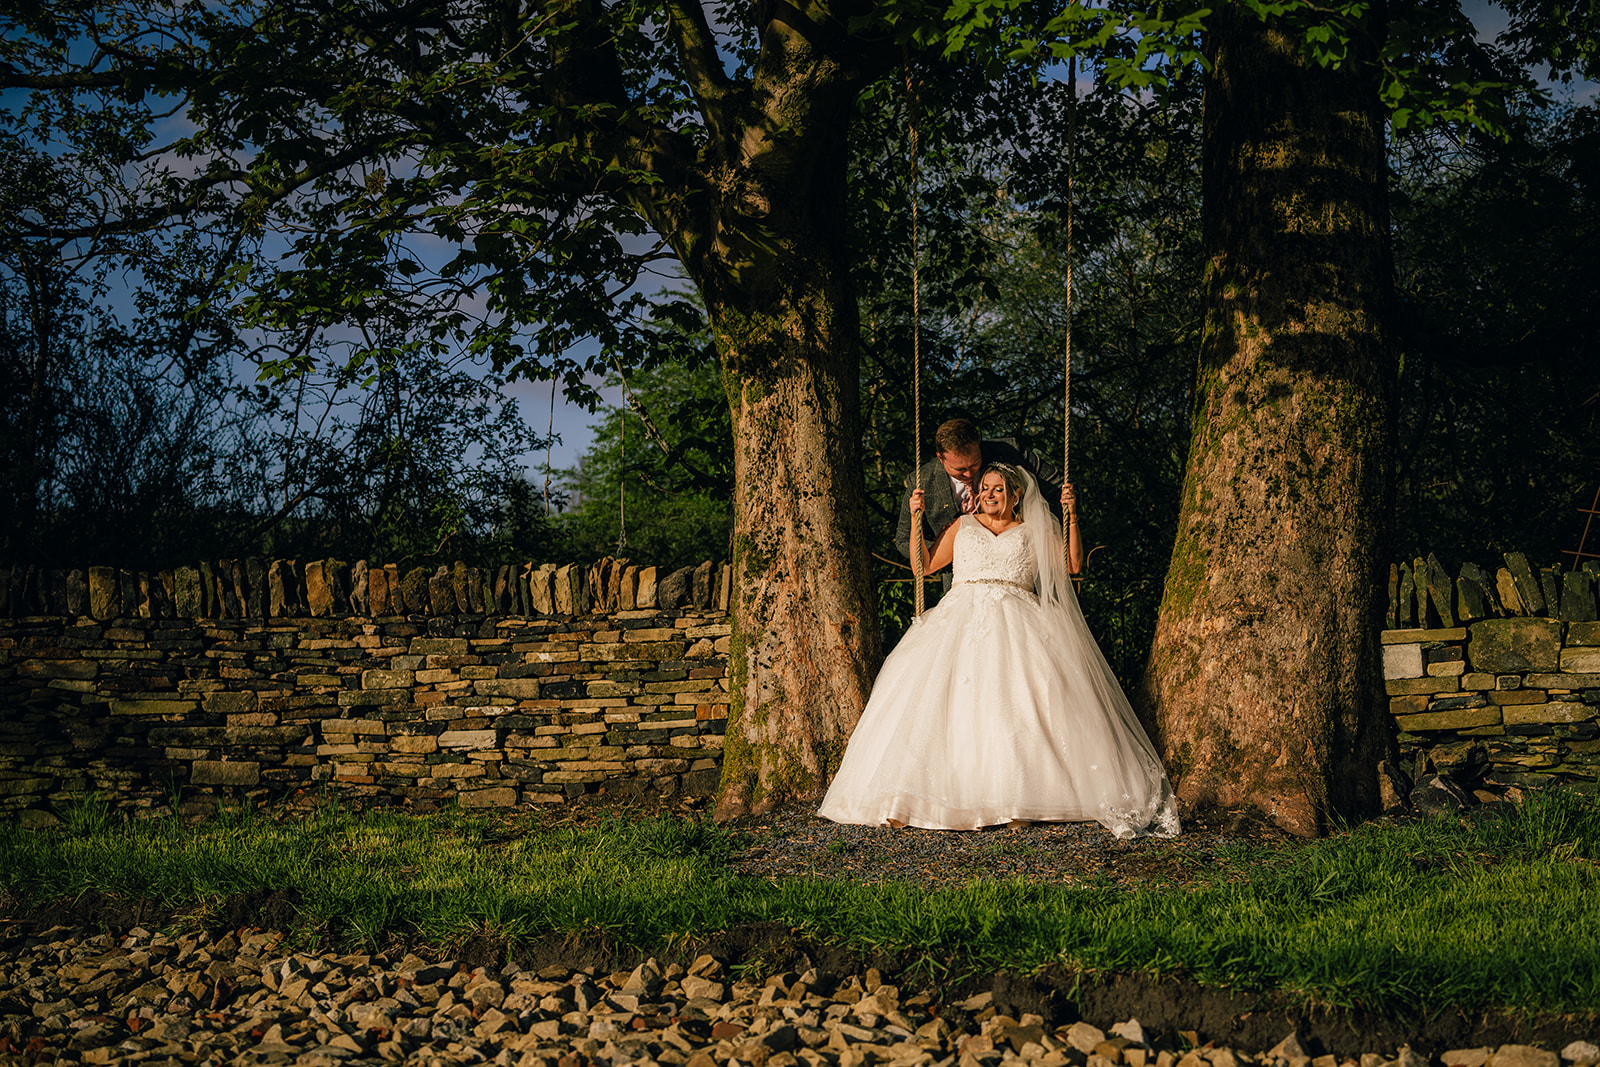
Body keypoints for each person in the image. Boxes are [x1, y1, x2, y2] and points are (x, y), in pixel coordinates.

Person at [819, 462, 1180, 838]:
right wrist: (915, 519)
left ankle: (1023, 796)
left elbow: (1071, 564)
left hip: (1020, 620)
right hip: (959, 619)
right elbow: (922, 567)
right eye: (985, 487)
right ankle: (919, 797)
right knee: (937, 704)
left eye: (997, 489)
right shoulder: (962, 526)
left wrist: (1070, 514)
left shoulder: (1034, 530)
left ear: (1016, 495)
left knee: (1019, 706)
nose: (988, 494)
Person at [895, 419, 1061, 597]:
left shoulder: (1008, 452)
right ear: (940, 458)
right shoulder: (922, 481)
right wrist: (952, 548)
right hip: (961, 591)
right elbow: (903, 540)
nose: (969, 473)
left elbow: (1058, 486)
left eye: (975, 464)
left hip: (1018, 588)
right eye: (959, 469)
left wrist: (1037, 534)